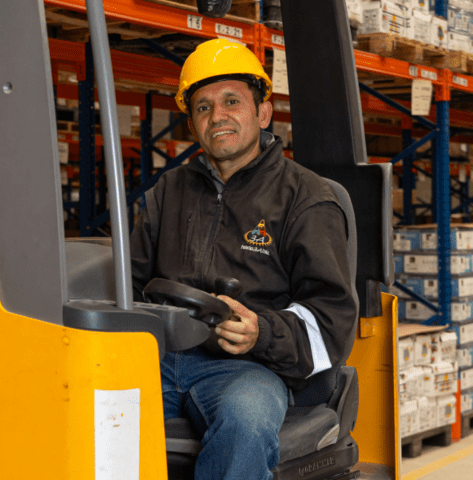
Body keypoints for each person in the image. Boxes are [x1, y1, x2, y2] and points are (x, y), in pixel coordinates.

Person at [130, 38, 358, 479]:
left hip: (248, 367)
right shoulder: (167, 192)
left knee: (246, 422)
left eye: (231, 101)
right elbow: (130, 282)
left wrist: (261, 332)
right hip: (159, 357)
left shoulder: (307, 198)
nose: (217, 116)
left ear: (264, 113)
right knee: (84, 402)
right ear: (193, 125)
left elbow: (331, 319)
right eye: (202, 108)